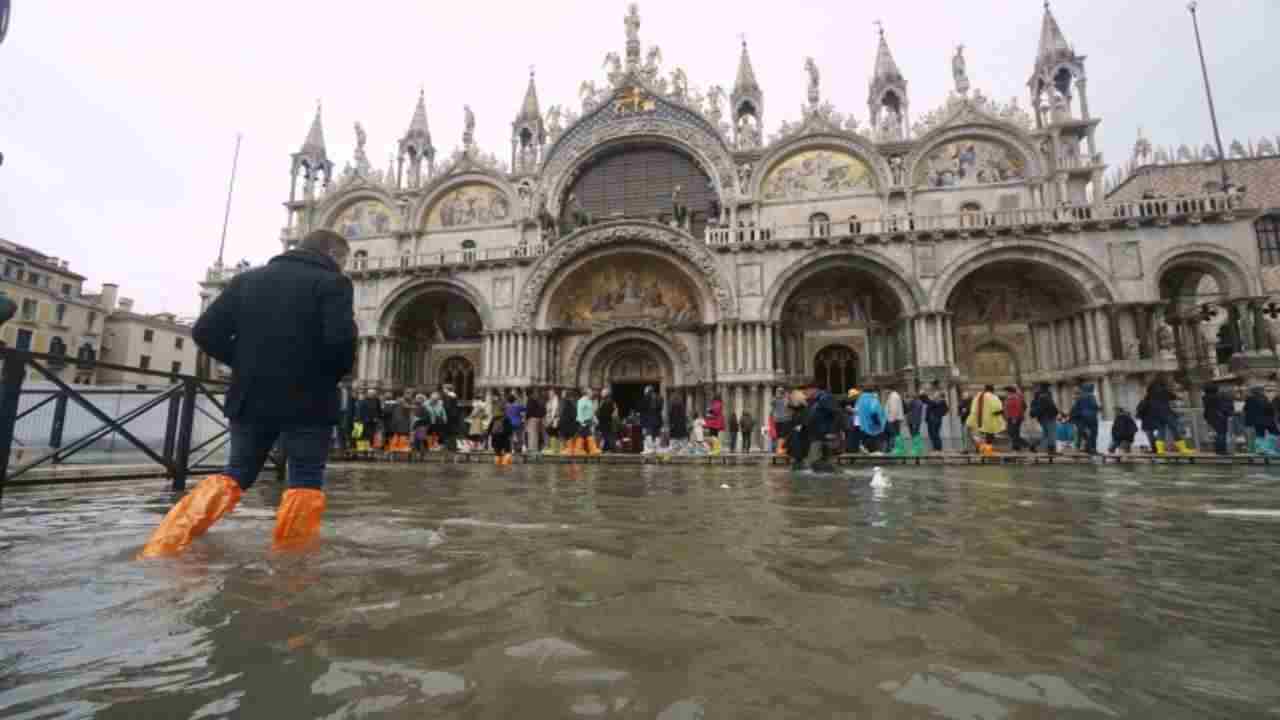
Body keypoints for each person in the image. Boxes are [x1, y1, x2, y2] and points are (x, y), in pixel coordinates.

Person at [139, 229, 356, 558]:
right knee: (304, 477)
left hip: (250, 394)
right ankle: (291, 564)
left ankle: (166, 543)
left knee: (236, 471)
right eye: (344, 260)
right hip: (309, 399)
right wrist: (326, 375)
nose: (343, 266)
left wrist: (243, 363)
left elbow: (204, 332)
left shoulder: (246, 281)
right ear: (333, 255)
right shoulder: (333, 284)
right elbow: (340, 343)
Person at [967, 384, 1007, 455]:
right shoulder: (993, 397)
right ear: (992, 390)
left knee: (978, 437)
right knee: (989, 438)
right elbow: (997, 410)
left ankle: (981, 450)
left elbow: (973, 409)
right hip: (990, 422)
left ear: (985, 389)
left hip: (977, 421)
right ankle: (987, 452)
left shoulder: (977, 397)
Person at [1068, 383, 1100, 455]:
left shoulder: (1080, 397)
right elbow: (1094, 406)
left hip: (1082, 420)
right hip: (1091, 419)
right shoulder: (1091, 396)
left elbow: (1074, 409)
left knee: (1084, 434)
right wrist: (1098, 408)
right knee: (1092, 434)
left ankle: (1085, 448)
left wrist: (1072, 418)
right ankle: (1092, 449)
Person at [1244, 385, 1277, 454]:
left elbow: (1246, 410)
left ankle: (1263, 448)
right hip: (1265, 420)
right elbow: (1270, 409)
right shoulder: (1263, 398)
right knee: (1271, 434)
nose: (1263, 391)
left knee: (1261, 435)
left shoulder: (1251, 399)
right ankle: (1266, 449)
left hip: (1259, 420)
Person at [1028, 383, 1059, 455]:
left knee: (1045, 434)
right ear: (1047, 387)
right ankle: (1051, 450)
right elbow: (1051, 406)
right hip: (1049, 417)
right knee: (1051, 434)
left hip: (1041, 418)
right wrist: (1056, 412)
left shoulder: (1037, 395)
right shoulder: (1046, 395)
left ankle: (1034, 445)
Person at [1202, 384, 1233, 455]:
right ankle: (1221, 450)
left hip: (1210, 417)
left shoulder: (1205, 397)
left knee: (1219, 433)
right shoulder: (1217, 397)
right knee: (1221, 433)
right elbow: (1222, 406)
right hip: (1219, 416)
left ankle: (1218, 449)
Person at [855, 387, 886, 454]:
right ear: (872, 392)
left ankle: (864, 448)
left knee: (867, 439)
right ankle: (876, 453)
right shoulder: (873, 399)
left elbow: (857, 411)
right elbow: (874, 411)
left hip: (863, 424)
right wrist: (878, 423)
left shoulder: (860, 400)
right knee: (875, 440)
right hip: (873, 424)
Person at [489, 396, 514, 465]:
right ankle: (505, 465)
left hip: (495, 437)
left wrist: (489, 435)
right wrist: (510, 435)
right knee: (507, 451)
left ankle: (497, 465)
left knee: (497, 453)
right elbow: (509, 429)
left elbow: (489, 428)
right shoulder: (506, 418)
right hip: (504, 437)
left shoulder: (494, 418)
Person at [640, 385, 663, 454]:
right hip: (658, 419)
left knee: (648, 434)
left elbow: (643, 410)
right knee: (657, 435)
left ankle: (649, 449)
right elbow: (660, 408)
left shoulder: (646, 398)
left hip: (649, 419)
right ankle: (657, 449)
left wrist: (642, 421)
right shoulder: (660, 398)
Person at [577, 387, 600, 455]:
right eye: (590, 392)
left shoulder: (589, 401)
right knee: (586, 435)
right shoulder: (581, 401)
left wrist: (595, 419)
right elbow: (580, 412)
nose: (592, 393)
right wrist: (581, 422)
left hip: (588, 421)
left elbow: (591, 412)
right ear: (586, 393)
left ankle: (586, 450)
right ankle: (590, 450)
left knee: (584, 435)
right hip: (583, 421)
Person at [924, 388, 948, 453]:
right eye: (934, 394)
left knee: (935, 434)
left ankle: (938, 448)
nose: (934, 395)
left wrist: (939, 414)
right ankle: (936, 448)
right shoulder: (935, 401)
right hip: (931, 420)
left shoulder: (940, 401)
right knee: (933, 434)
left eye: (935, 394)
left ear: (938, 395)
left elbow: (945, 410)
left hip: (935, 420)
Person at [1004, 386, 1026, 452]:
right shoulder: (1010, 398)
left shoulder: (1015, 397)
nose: (1006, 393)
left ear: (1009, 391)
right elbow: (1007, 408)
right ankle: (1017, 447)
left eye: (1006, 391)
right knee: (1014, 433)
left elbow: (1017, 408)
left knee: (1012, 432)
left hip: (1015, 418)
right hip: (1011, 417)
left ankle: (1025, 445)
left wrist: (1015, 418)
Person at [883, 387, 905, 453]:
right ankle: (889, 449)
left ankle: (893, 449)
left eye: (885, 390)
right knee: (891, 435)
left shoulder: (894, 397)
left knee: (893, 435)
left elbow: (894, 410)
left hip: (892, 420)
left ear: (889, 389)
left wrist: (890, 420)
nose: (884, 392)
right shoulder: (892, 396)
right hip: (892, 419)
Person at [525, 388, 546, 454]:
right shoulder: (535, 400)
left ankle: (532, 449)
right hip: (538, 418)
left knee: (532, 434)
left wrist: (526, 419)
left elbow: (529, 411)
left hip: (533, 419)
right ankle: (535, 448)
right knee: (536, 434)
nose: (535, 394)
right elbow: (542, 409)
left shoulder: (530, 400)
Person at [771, 387, 791, 455]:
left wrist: (785, 397)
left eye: (779, 392)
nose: (778, 393)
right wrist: (776, 397)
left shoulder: (786, 399)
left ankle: (782, 449)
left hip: (785, 419)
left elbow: (788, 406)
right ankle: (780, 449)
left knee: (783, 435)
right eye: (777, 391)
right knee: (779, 435)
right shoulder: (775, 399)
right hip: (778, 420)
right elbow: (772, 403)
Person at [596, 388, 617, 452]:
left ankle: (611, 448)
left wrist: (598, 415)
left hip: (606, 421)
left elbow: (605, 412)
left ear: (606, 394)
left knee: (607, 435)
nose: (601, 393)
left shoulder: (608, 401)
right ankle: (606, 448)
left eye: (603, 392)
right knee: (606, 435)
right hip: (605, 421)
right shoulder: (604, 401)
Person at [441, 384, 461, 452]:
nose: (443, 390)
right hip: (454, 416)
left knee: (448, 432)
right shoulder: (454, 396)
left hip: (449, 416)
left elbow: (447, 407)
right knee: (453, 432)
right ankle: (453, 446)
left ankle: (448, 446)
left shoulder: (448, 396)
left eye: (444, 389)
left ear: (447, 389)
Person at [544, 388, 562, 455]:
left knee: (553, 433)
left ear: (554, 393)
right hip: (550, 419)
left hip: (553, 420)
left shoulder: (555, 400)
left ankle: (555, 449)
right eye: (549, 393)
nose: (549, 394)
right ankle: (555, 449)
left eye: (551, 393)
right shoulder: (550, 400)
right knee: (553, 434)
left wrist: (551, 421)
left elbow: (554, 411)